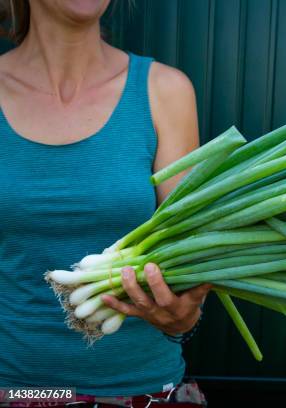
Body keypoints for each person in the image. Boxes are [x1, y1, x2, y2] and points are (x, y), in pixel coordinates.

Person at [0, 0, 211, 405]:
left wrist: (183, 315)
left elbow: (187, 260)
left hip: (142, 391)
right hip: (16, 390)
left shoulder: (165, 92)